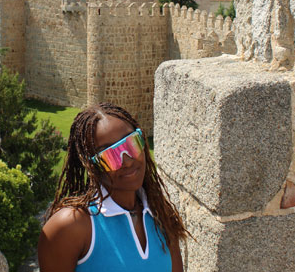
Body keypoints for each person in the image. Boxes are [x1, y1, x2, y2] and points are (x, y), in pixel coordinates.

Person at [38, 103, 188, 272]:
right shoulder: (71, 227)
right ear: (91, 165)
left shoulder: (161, 214)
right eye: (110, 155)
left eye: (132, 143)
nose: (128, 161)